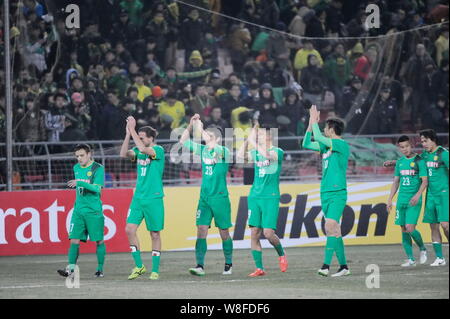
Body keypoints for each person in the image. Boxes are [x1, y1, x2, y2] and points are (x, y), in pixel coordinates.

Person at [179, 114, 234, 276]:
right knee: (201, 229)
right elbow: (183, 141)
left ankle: (228, 264)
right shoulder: (203, 150)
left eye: (210, 136)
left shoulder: (223, 151)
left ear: (217, 139)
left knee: (224, 232)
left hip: (220, 198)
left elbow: (212, 145)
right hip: (204, 198)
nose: (206, 139)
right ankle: (200, 266)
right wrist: (191, 125)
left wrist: (200, 128)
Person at [302, 105, 350, 277]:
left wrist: (315, 120)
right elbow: (306, 143)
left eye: (325, 127)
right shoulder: (326, 147)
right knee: (334, 230)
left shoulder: (340, 144)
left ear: (331, 129)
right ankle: (344, 267)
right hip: (325, 192)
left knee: (329, 225)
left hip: (337, 192)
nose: (323, 130)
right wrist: (310, 123)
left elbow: (320, 139)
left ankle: (325, 266)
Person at [237, 123, 287, 277]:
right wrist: (248, 139)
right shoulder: (256, 152)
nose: (259, 136)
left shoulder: (278, 151)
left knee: (269, 233)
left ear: (269, 136)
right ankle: (259, 268)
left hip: (270, 197)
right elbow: (240, 156)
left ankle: (281, 254)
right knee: (254, 233)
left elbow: (268, 156)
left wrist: (253, 141)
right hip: (255, 196)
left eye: (261, 134)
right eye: (258, 135)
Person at [119, 117, 165, 280]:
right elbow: (123, 154)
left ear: (151, 138)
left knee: (154, 234)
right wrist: (127, 134)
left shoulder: (158, 150)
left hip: (153, 198)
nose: (140, 139)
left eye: (142, 137)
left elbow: (145, 150)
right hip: (138, 198)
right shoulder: (138, 151)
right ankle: (139, 266)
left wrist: (132, 130)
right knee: (129, 229)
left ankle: (155, 270)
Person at [57, 144, 106, 278]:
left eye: (82, 155)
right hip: (78, 210)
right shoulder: (76, 168)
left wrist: (80, 182)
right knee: (74, 240)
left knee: (99, 241)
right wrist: (79, 183)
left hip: (93, 211)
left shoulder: (98, 168)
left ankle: (100, 269)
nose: (79, 158)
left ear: (89, 154)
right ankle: (70, 270)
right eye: (77, 156)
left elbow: (97, 189)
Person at [386, 136, 428, 267]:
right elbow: (396, 182)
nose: (405, 149)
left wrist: (418, 195)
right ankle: (411, 259)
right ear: (399, 148)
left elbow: (425, 181)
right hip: (401, 200)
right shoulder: (399, 162)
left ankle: (422, 248)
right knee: (403, 229)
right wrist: (390, 199)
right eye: (402, 147)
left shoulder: (419, 161)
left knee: (410, 228)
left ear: (412, 146)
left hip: (414, 200)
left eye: (407, 146)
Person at [419, 129, 449, 266]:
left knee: (445, 226)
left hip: (443, 194)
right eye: (422, 142)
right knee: (433, 226)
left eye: (426, 141)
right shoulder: (424, 156)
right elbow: (412, 162)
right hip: (430, 195)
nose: (423, 144)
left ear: (433, 139)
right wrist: (394, 163)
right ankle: (440, 258)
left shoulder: (444, 154)